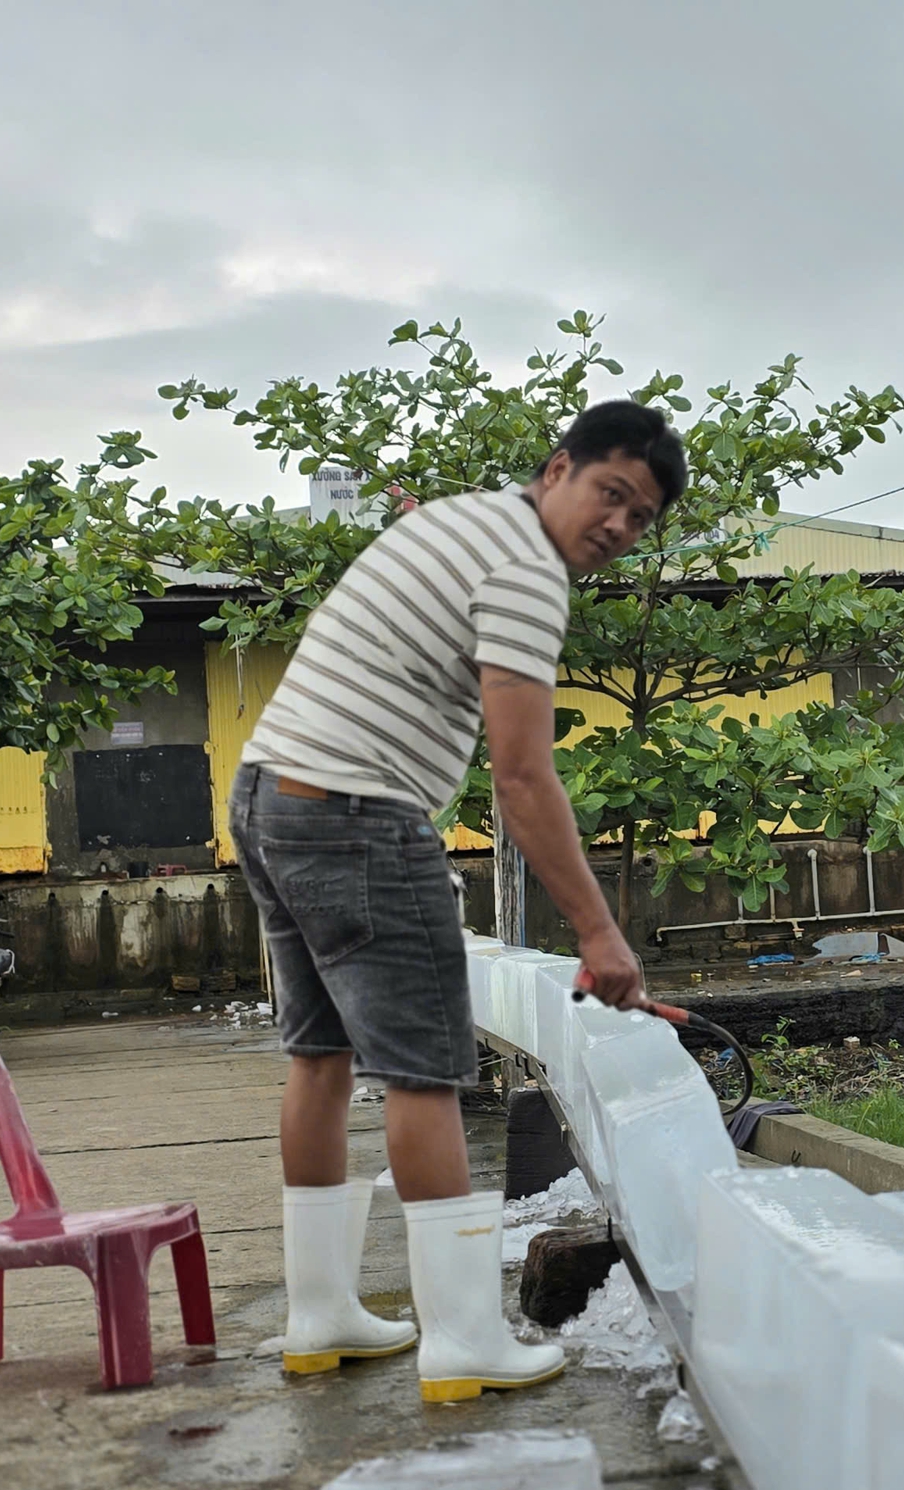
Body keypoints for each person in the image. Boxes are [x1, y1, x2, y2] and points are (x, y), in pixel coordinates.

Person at [227, 400, 686, 1404]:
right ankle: (466, 1338)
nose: (617, 525)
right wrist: (600, 934)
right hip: (357, 812)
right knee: (425, 1072)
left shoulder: (455, 518)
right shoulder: (526, 572)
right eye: (610, 494)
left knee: (320, 1057)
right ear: (558, 469)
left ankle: (320, 1317)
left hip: (270, 795)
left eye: (641, 517)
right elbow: (521, 779)